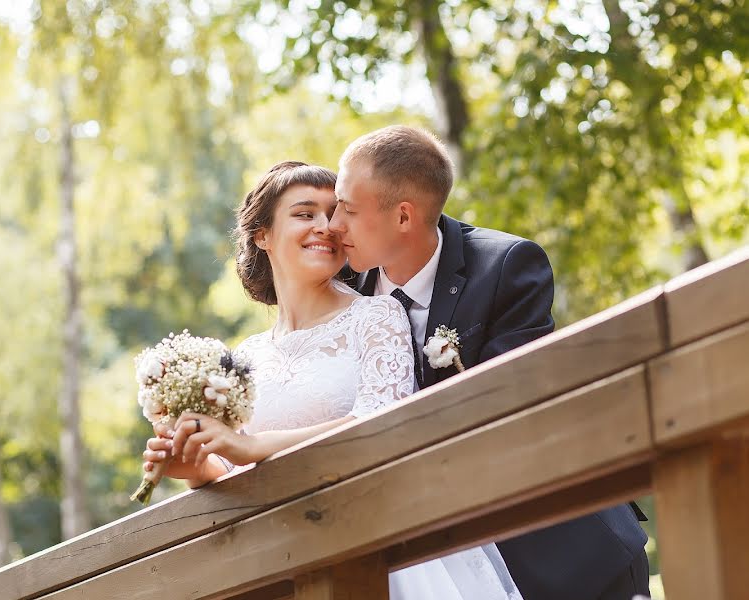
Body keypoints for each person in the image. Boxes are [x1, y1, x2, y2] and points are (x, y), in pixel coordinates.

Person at [143, 160, 523, 600]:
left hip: (382, 550)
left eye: (334, 213)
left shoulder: (376, 315)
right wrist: (196, 467)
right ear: (262, 234)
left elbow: (381, 423)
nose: (327, 226)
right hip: (286, 559)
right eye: (305, 214)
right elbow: (234, 469)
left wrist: (250, 447)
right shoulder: (245, 357)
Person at [327, 126, 650, 600]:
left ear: (402, 216)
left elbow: (500, 412)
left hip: (561, 551)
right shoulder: (344, 297)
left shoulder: (507, 267)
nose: (334, 224)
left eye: (349, 210)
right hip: (432, 566)